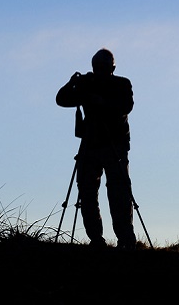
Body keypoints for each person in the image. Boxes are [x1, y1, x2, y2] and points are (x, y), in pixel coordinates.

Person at [56, 48, 137, 249]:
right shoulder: (87, 84)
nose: (99, 71)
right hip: (91, 144)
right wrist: (72, 82)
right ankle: (96, 238)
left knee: (118, 193)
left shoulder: (121, 84)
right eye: (97, 67)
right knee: (87, 191)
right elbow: (62, 100)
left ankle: (126, 240)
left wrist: (103, 103)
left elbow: (127, 106)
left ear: (113, 68)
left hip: (114, 145)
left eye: (103, 67)